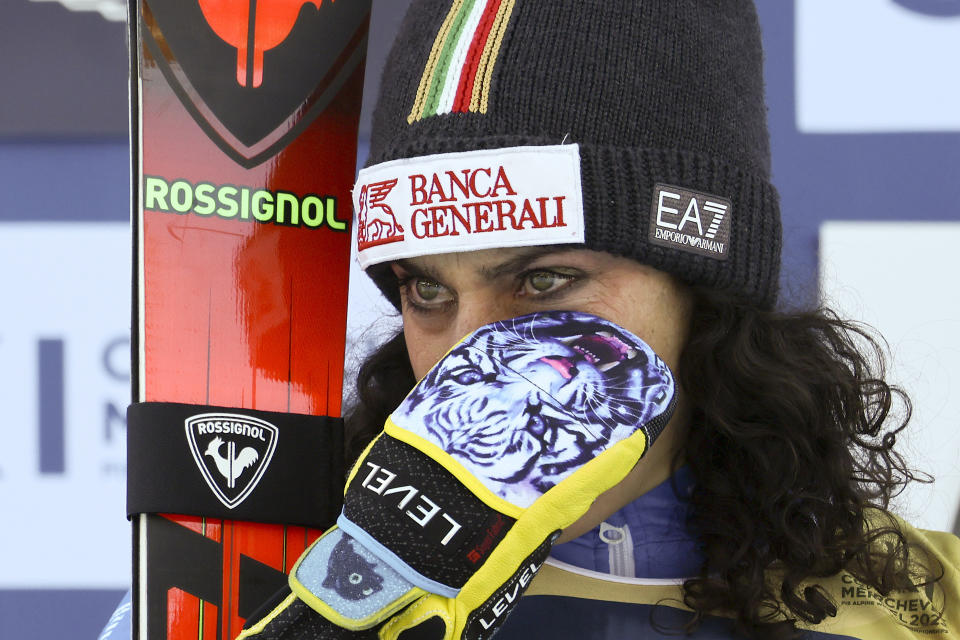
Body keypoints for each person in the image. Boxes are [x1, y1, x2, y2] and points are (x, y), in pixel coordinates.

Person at [346, 0, 960, 638]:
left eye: (544, 281)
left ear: (702, 293)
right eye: (427, 288)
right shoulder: (299, 585)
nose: (466, 364)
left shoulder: (932, 605)